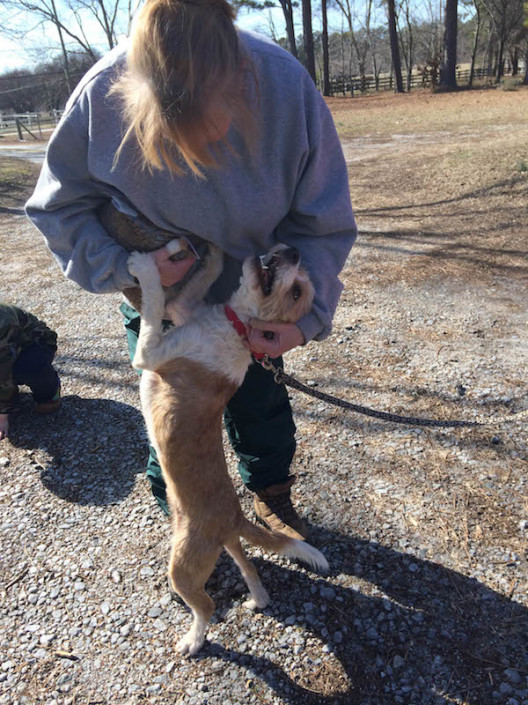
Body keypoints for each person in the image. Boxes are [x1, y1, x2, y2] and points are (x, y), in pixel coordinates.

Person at [25, 0, 357, 539]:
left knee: (261, 405)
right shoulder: (99, 97)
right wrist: (129, 268)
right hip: (157, 303)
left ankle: (271, 491)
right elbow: (56, 209)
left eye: (207, 127)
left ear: (241, 79)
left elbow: (322, 224)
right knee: (173, 431)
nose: (195, 151)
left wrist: (306, 316)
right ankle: (186, 521)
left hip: (252, 308)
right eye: (170, 134)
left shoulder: (286, 89)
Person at [0, 303, 61, 440]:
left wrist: (2, 415)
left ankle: (50, 392)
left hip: (34, 343)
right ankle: (10, 397)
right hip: (8, 351)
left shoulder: (2, 321)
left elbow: (3, 369)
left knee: (28, 369)